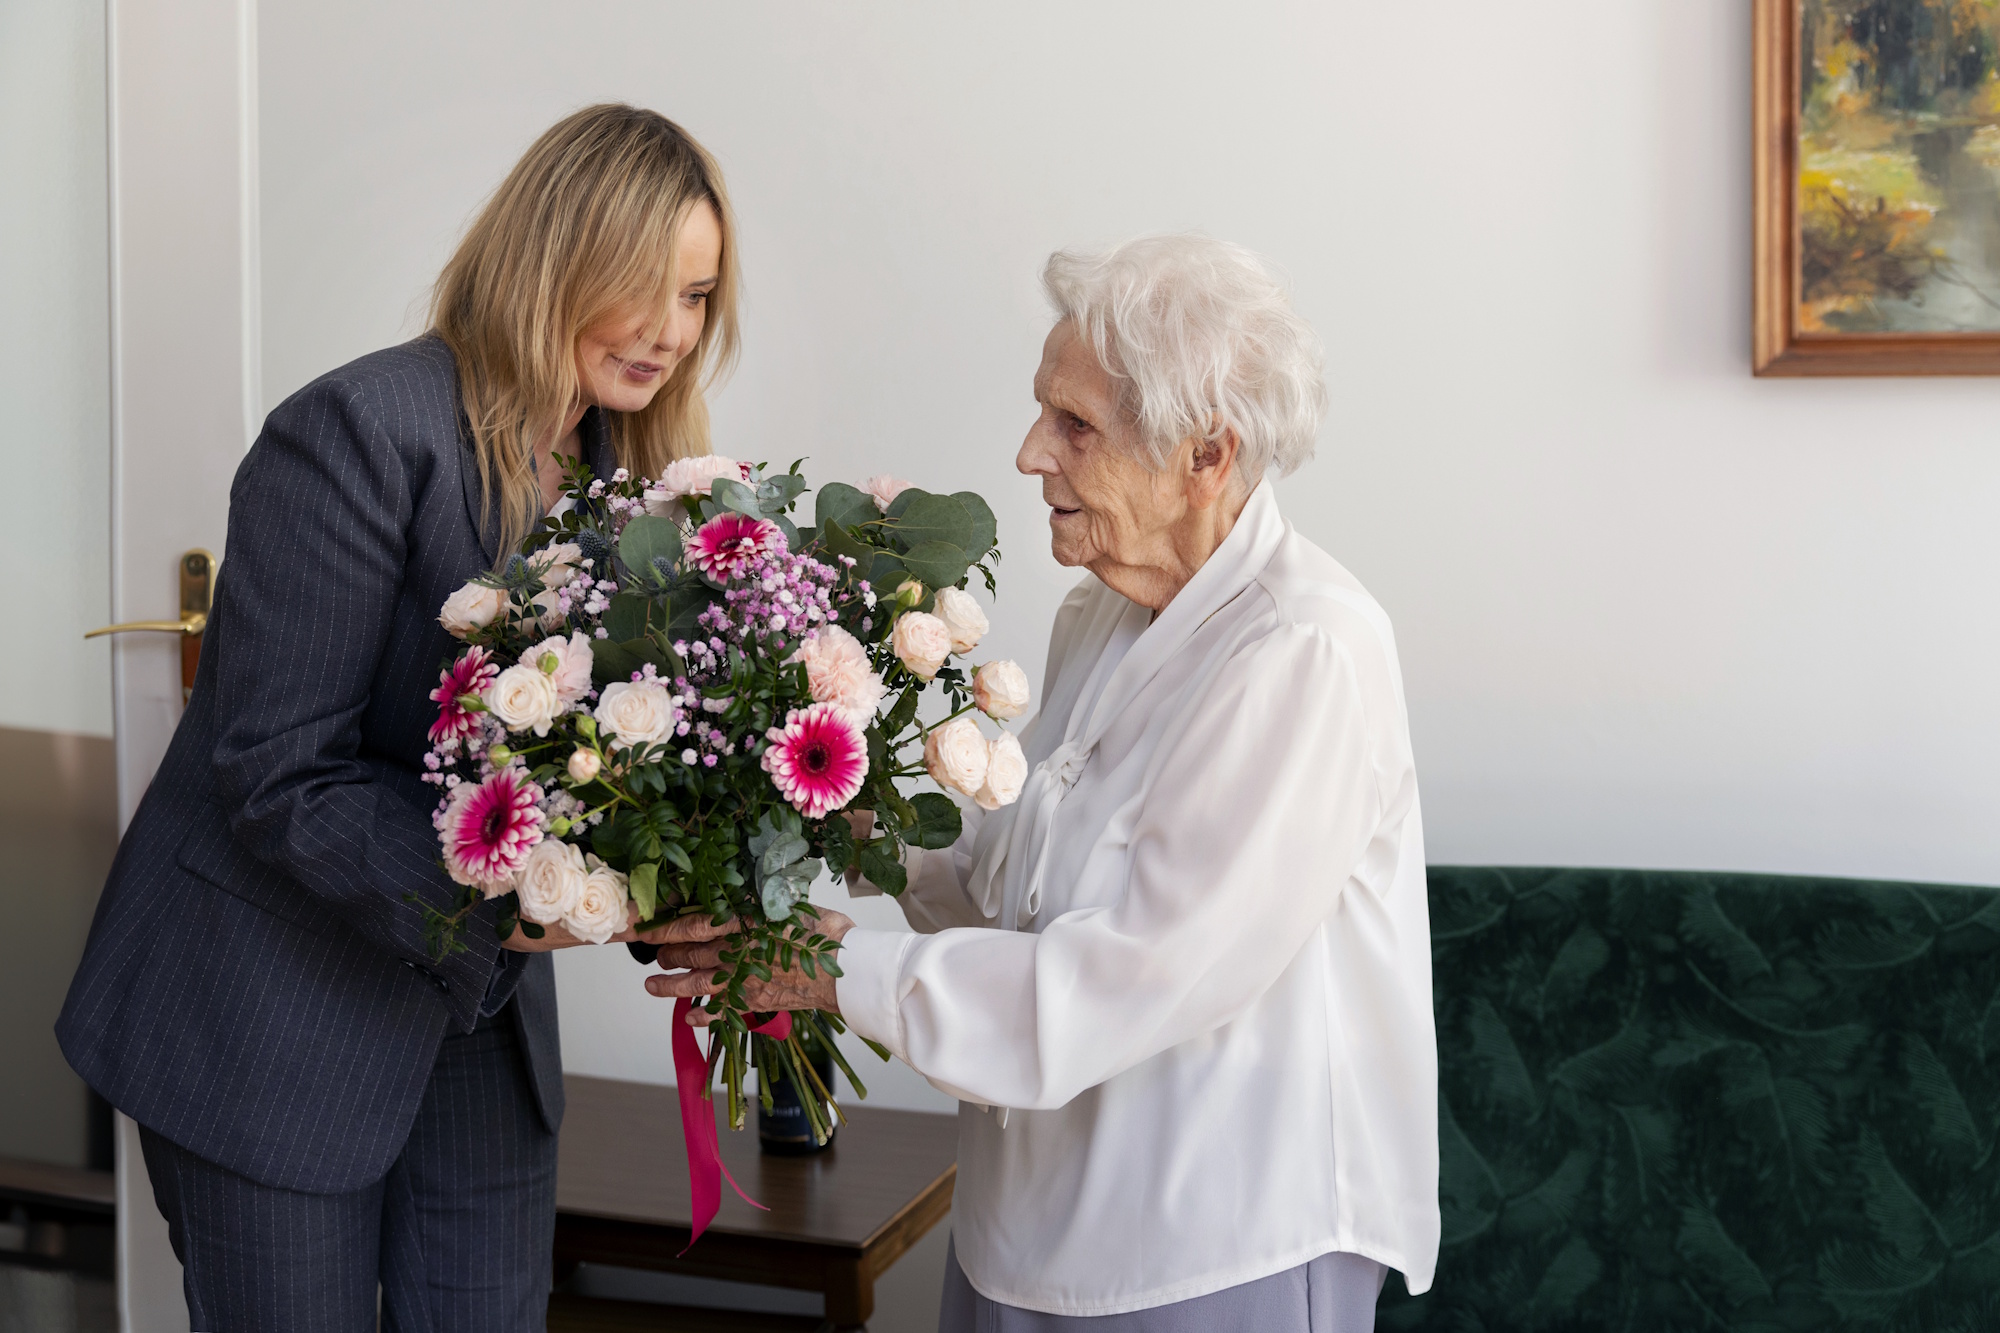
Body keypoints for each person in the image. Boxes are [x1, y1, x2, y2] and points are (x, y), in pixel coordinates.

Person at [649, 235, 1439, 1331]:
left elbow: (1130, 974)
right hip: (1018, 1236)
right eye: (1041, 411)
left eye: (1074, 425)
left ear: (1205, 454)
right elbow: (1018, 894)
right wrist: (841, 808)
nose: (1028, 453)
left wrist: (826, 969)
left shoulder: (1306, 652)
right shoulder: (1102, 616)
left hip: (1209, 1254)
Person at [58, 103, 740, 1331]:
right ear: (551, 257)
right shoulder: (358, 433)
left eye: (695, 299)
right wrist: (522, 899)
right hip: (270, 1019)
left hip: (471, 1027)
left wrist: (677, 873)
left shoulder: (626, 478)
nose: (668, 334)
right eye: (643, 288)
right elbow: (278, 773)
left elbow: (605, 764)